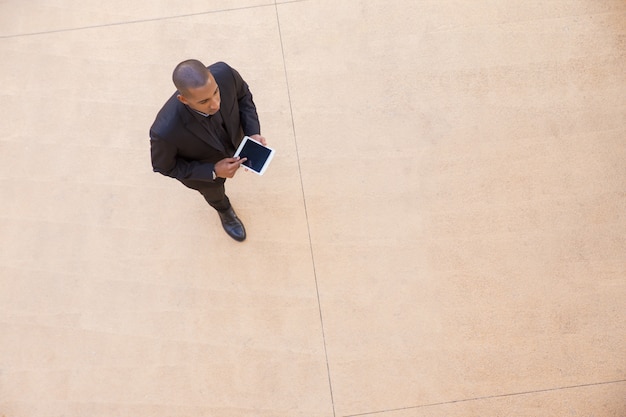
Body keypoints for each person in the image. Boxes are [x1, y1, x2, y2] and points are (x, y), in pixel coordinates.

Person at [150, 60, 266, 242]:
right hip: (206, 175)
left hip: (235, 141)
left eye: (216, 93)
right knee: (215, 194)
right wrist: (212, 170)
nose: (215, 104)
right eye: (204, 101)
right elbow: (164, 167)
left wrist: (252, 132)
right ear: (183, 99)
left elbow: (243, 96)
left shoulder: (225, 73)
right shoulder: (164, 132)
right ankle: (224, 210)